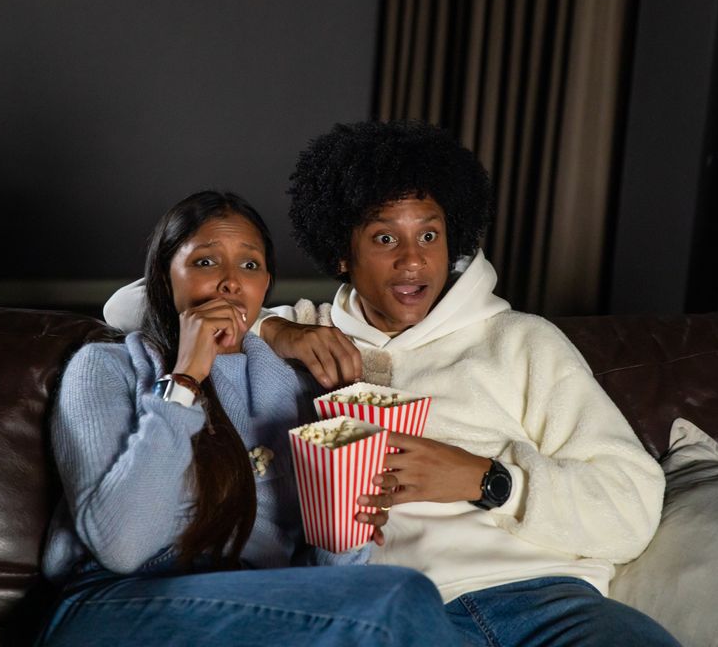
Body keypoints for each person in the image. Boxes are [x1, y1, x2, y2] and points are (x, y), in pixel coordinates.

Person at [105, 124, 680, 647]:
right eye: (385, 239)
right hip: (391, 614)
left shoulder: (522, 343)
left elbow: (630, 509)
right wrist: (272, 328)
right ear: (342, 254)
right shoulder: (308, 333)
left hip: (546, 600)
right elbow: (131, 307)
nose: (413, 261)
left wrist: (487, 479)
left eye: (429, 236)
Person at [40, 190, 463, 647]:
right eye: (205, 262)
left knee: (395, 599)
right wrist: (186, 379)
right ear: (163, 277)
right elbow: (121, 546)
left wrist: (346, 527)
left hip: (256, 604)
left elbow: (321, 571)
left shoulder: (300, 391)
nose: (230, 282)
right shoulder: (107, 368)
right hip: (119, 602)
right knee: (400, 596)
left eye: (249, 265)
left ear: (265, 286)